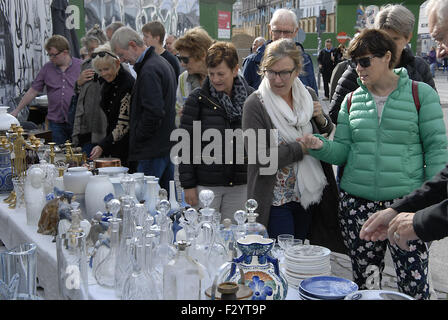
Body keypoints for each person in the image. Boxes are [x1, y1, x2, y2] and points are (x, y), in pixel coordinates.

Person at [299, 29, 447, 299]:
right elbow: (343, 153)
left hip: (406, 207)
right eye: (354, 62)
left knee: (414, 286)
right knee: (366, 285)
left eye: (364, 61)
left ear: (387, 57)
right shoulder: (351, 100)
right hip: (358, 207)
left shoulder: (420, 94)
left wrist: (430, 208)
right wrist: (322, 147)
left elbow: (438, 152)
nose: (358, 69)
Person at [242, 39, 345, 254]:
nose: (277, 80)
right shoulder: (256, 104)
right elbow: (260, 158)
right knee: (283, 258)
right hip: (275, 200)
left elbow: (325, 133)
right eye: (271, 72)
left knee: (300, 257)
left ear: (297, 71)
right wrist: (301, 150)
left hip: (308, 195)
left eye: (284, 73)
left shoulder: (308, 95)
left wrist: (321, 118)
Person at [360, 0, 448, 250]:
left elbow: (435, 145)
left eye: (440, 38)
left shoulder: (420, 75)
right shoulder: (356, 75)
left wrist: (420, 221)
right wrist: (398, 211)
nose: (439, 52)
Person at [179, 42, 254, 221]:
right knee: (203, 239)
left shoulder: (251, 97)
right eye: (211, 74)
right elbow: (185, 145)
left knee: (234, 239)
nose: (215, 79)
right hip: (206, 187)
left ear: (235, 70)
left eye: (221, 74)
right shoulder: (197, 99)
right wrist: (188, 186)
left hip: (240, 185)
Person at [328, 4, 436, 125]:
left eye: (395, 39)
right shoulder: (358, 68)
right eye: (384, 38)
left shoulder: (419, 67)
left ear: (408, 37)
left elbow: (433, 113)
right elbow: (335, 114)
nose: (389, 45)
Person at [110, 27, 177, 192]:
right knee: (167, 200)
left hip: (151, 150)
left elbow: (153, 113)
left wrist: (138, 138)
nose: (122, 60)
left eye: (121, 54)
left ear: (133, 45)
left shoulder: (149, 69)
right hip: (163, 146)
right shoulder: (159, 63)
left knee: (147, 203)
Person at [11, 35, 82, 145]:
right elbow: (33, 91)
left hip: (77, 121)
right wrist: (17, 110)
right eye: (49, 55)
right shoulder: (47, 68)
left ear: (65, 52)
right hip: (56, 121)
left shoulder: (80, 66)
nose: (51, 58)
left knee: (78, 153)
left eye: (54, 55)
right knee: (58, 152)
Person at [242, 8, 318, 93]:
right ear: (270, 29)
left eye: (286, 32)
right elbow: (243, 99)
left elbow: (313, 96)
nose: (281, 37)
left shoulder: (305, 60)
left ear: (295, 31)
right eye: (277, 31)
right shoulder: (252, 62)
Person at [89, 45, 135, 168]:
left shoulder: (127, 84)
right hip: (111, 142)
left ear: (117, 64)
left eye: (106, 69)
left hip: (126, 145)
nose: (103, 73)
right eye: (100, 70)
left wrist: (102, 145)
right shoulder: (105, 82)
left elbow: (123, 125)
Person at [72, 25, 108, 156]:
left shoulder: (114, 65)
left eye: (95, 49)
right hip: (87, 126)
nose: (93, 53)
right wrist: (78, 83)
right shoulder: (86, 65)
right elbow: (79, 95)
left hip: (104, 126)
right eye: (90, 50)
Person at [174, 27, 214, 112]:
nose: (182, 64)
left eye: (185, 59)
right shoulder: (183, 79)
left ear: (202, 55)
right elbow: (178, 108)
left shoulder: (227, 75)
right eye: (179, 58)